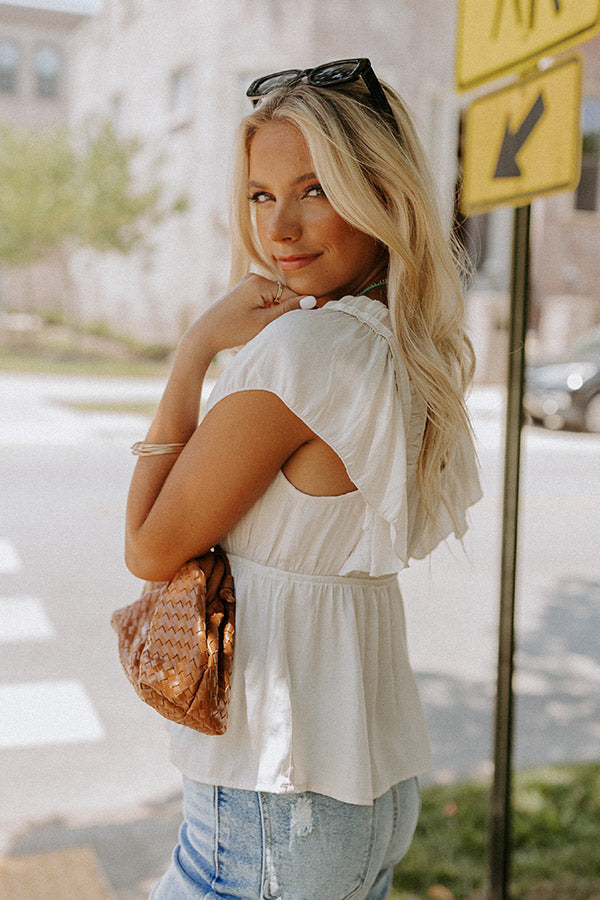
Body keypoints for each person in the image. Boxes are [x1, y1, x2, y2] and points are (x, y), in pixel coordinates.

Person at [125, 58, 482, 900]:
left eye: (315, 189)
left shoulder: (304, 354)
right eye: (260, 194)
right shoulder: (396, 342)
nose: (279, 228)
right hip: (357, 790)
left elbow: (147, 545)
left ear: (383, 195)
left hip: (274, 803)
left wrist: (193, 353)